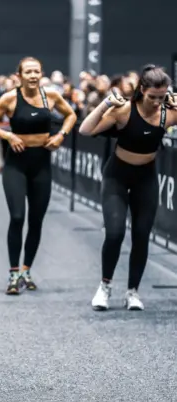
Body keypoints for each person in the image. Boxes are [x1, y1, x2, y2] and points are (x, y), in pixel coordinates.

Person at [79, 64, 177, 311]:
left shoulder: (168, 113)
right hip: (117, 177)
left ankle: (132, 291)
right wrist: (105, 103)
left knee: (142, 236)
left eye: (161, 97)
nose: (157, 102)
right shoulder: (124, 111)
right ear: (142, 90)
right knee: (114, 234)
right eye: (152, 97)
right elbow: (85, 129)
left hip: (146, 178)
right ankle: (105, 287)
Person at [0, 57, 77, 295]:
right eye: (28, 72)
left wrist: (61, 135)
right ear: (20, 75)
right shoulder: (10, 98)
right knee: (17, 216)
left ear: (41, 74)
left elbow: (71, 115)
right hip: (16, 166)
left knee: (36, 219)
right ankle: (13, 273)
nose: (33, 76)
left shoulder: (51, 96)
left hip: (42, 164)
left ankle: (26, 270)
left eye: (36, 72)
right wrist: (9, 136)